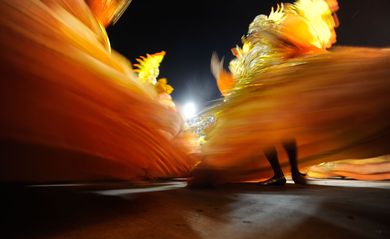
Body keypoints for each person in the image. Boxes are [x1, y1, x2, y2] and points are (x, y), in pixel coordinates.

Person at [188, 0, 390, 187]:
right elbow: (246, 70)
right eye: (251, 35)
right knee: (268, 133)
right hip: (261, 91)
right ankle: (283, 173)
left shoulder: (275, 38)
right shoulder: (257, 51)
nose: (251, 37)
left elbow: (289, 48)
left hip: (273, 88)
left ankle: (290, 172)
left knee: (281, 131)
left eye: (254, 33)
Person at [0, 0, 197, 183]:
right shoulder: (70, 15)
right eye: (110, 5)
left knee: (164, 119)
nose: (111, 12)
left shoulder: (95, 30)